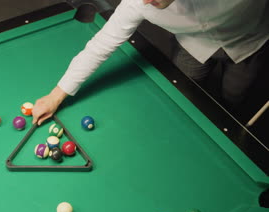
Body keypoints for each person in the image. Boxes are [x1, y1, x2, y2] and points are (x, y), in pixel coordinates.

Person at [32, 0, 269, 125]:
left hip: (248, 43)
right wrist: (56, 95)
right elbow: (101, 44)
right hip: (193, 46)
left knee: (233, 98)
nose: (146, 0)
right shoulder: (138, 2)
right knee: (184, 98)